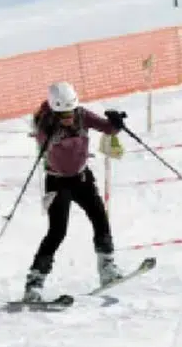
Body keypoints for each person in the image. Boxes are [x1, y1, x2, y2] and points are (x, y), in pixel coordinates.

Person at [22, 81, 129, 302]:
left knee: (100, 217)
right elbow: (41, 138)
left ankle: (107, 268)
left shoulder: (81, 115)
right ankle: (34, 283)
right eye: (63, 114)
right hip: (57, 182)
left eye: (70, 112)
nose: (69, 117)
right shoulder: (46, 123)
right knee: (57, 231)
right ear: (54, 110)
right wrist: (50, 133)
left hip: (82, 178)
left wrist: (116, 122)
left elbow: (107, 128)